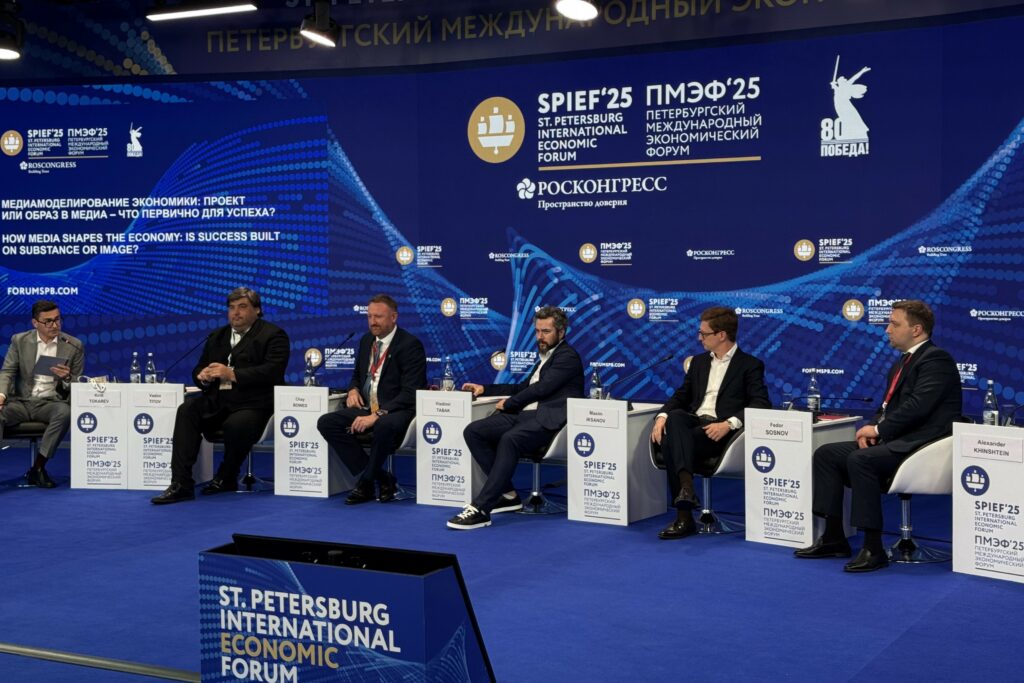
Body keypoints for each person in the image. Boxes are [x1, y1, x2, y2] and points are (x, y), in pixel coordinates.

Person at [795, 300, 962, 572]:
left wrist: (878, 430)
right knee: (827, 454)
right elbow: (886, 407)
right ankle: (834, 537)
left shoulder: (936, 359)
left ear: (917, 329)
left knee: (861, 460)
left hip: (921, 445)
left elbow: (918, 407)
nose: (887, 330)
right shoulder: (903, 362)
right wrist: (873, 426)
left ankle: (873, 548)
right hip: (897, 441)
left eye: (894, 324)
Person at [447, 305, 584, 530]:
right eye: (537, 331)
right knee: (474, 431)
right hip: (525, 415)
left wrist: (510, 403)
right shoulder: (546, 357)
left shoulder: (567, 357)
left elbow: (542, 389)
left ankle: (481, 508)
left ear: (561, 332)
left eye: (546, 331)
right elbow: (523, 388)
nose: (540, 337)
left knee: (510, 439)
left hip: (549, 420)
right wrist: (485, 389)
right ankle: (508, 495)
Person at [151, 288, 289, 504]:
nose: (236, 313)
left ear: (257, 310)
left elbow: (273, 371)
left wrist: (232, 374)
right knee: (187, 410)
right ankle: (180, 483)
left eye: (242, 307)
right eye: (232, 308)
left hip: (255, 403)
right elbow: (199, 368)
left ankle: (227, 476)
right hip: (219, 400)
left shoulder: (273, 335)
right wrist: (203, 377)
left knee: (236, 424)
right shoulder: (217, 336)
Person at [651, 306, 771, 539]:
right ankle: (687, 490)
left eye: (704, 333)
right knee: (676, 417)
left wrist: (729, 424)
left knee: (670, 442)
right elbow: (680, 396)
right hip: (693, 424)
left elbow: (761, 403)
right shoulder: (698, 362)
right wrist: (661, 416)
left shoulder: (749, 365)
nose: (699, 338)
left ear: (721, 335)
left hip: (720, 431)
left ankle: (684, 517)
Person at [317, 294, 426, 504]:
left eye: (378, 317)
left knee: (384, 424)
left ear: (393, 317)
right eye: (369, 316)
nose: (372, 321)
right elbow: (357, 375)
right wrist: (353, 390)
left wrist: (377, 415)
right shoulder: (367, 340)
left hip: (398, 409)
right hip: (368, 406)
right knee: (327, 422)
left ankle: (366, 483)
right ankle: (382, 477)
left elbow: (411, 392)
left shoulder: (410, 345)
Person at [0, 300, 85, 488]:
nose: (54, 325)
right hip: (21, 402)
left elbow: (79, 384)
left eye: (57, 319)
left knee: (65, 412)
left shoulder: (74, 345)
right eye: (48, 321)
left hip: (50, 403)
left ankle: (38, 468)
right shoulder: (19, 340)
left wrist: (67, 377)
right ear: (35, 323)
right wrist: (1, 395)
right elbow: (7, 372)